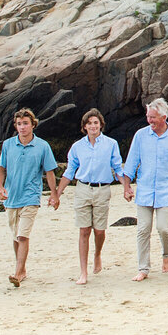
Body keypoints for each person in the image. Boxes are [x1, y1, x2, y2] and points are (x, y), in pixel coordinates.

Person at [121, 98, 168, 281]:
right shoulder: (141, 136)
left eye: (153, 117)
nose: (149, 121)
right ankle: (143, 268)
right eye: (148, 117)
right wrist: (127, 187)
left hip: (167, 189)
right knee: (143, 229)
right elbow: (131, 163)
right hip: (145, 189)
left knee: (163, 228)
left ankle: (166, 254)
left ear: (164, 117)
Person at [58, 108, 123, 285]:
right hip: (83, 189)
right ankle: (83, 272)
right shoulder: (77, 147)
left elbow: (118, 168)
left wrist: (126, 188)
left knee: (100, 231)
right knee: (84, 230)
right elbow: (69, 171)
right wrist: (57, 193)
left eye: (96, 122)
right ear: (84, 127)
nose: (93, 126)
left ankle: (98, 254)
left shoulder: (111, 144)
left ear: (101, 125)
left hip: (103, 189)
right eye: (89, 123)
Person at [0, 108, 59, 288]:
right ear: (15, 126)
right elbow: (1, 170)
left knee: (23, 235)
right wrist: (0, 188)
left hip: (31, 196)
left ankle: (18, 272)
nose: (22, 127)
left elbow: (49, 172)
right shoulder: (8, 145)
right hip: (11, 197)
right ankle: (22, 269)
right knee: (16, 236)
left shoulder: (42, 146)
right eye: (19, 124)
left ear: (33, 125)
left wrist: (54, 194)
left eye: (25, 123)